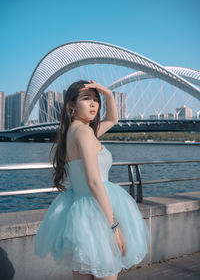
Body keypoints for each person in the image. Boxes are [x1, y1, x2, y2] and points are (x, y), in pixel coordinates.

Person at [34, 79, 151, 280]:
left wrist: (108, 94)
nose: (93, 104)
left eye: (96, 100)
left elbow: (112, 119)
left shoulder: (73, 132)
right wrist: (114, 226)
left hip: (78, 212)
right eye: (86, 99)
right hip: (98, 212)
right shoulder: (86, 133)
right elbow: (94, 182)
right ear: (71, 105)